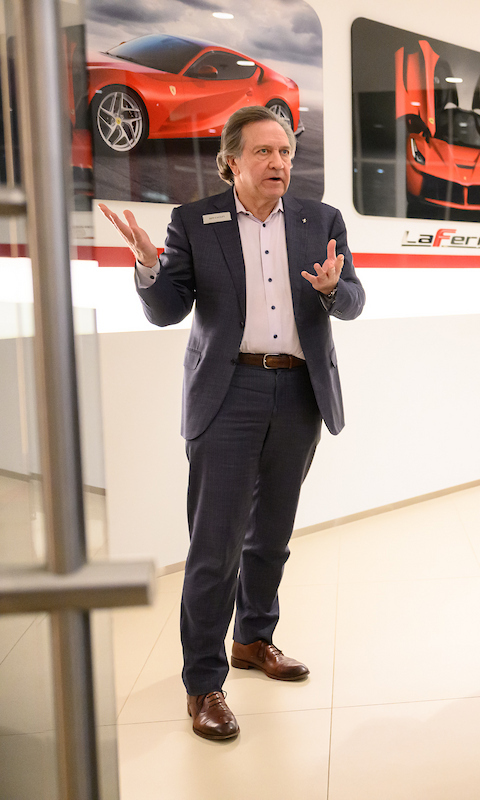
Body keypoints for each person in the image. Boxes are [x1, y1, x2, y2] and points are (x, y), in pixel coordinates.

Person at [99, 105, 365, 741]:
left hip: (300, 390)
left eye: (286, 152)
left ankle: (253, 639)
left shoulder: (320, 220)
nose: (279, 163)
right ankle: (203, 682)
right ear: (232, 162)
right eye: (265, 153)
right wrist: (147, 266)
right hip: (228, 392)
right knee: (214, 546)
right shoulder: (195, 221)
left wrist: (333, 288)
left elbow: (352, 301)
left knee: (271, 535)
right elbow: (167, 310)